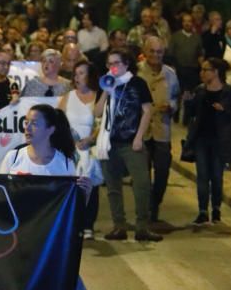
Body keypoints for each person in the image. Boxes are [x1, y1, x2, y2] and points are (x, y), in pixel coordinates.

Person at [0, 104, 92, 290]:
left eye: (35, 123)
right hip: (17, 252)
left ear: (51, 129)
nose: (28, 127)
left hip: (51, 254)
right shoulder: (12, 157)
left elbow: (73, 210)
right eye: (26, 122)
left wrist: (84, 193)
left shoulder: (64, 163)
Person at [95, 49, 161, 242]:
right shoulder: (106, 83)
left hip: (131, 141)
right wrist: (106, 92)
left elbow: (147, 111)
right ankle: (119, 226)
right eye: (109, 64)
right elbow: (97, 112)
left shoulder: (137, 83)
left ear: (126, 64)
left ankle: (142, 226)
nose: (112, 67)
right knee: (113, 186)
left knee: (141, 184)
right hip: (109, 142)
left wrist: (139, 137)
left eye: (116, 63)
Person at [184, 58, 231, 224]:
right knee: (202, 176)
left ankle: (216, 209)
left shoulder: (229, 92)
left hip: (219, 140)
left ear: (215, 72)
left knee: (216, 175)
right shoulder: (200, 90)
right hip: (201, 139)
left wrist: (225, 110)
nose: (202, 73)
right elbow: (191, 114)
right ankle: (202, 211)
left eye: (206, 70)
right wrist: (188, 102)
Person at [136, 36, 180, 223]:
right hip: (142, 131)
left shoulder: (170, 73)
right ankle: (144, 212)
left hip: (162, 130)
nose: (155, 55)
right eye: (152, 51)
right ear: (145, 52)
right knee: (142, 176)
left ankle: (154, 205)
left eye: (159, 52)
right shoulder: (137, 73)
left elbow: (176, 98)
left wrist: (171, 106)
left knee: (162, 172)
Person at [59, 60, 101, 239]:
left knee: (90, 187)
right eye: (75, 74)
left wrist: (91, 139)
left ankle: (88, 224)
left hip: (89, 149)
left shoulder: (98, 96)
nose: (77, 77)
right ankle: (72, 223)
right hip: (70, 148)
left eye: (81, 73)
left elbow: (102, 121)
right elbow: (58, 120)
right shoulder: (68, 97)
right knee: (70, 188)